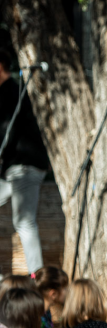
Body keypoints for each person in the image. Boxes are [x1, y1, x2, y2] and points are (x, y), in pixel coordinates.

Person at [0, 46, 49, 273]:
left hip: (24, 167)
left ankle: (37, 280)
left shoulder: (12, 94)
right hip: (11, 169)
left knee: (24, 221)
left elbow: (7, 133)